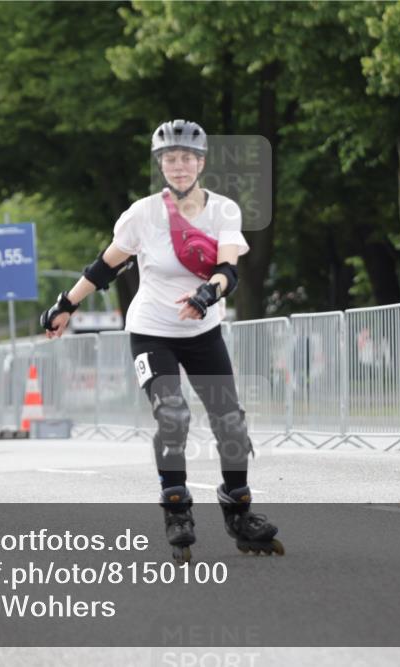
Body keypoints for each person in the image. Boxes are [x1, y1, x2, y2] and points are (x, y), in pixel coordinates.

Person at [40, 119, 282, 562]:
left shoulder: (223, 210)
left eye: (187, 158)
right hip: (152, 332)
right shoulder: (142, 214)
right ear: (160, 165)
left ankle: (239, 509)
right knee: (172, 415)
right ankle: (176, 507)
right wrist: (65, 304)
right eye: (170, 158)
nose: (179, 165)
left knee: (230, 422)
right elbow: (105, 266)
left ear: (202, 162)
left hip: (203, 330)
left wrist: (208, 294)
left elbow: (228, 270)